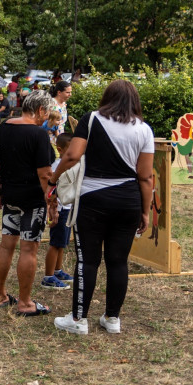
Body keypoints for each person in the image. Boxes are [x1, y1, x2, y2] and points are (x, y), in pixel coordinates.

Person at [49, 80, 154, 335]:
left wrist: (53, 181)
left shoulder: (92, 119)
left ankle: (78, 319)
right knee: (118, 261)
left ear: (107, 97)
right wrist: (145, 211)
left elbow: (72, 155)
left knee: (88, 260)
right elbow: (145, 176)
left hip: (93, 198)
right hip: (128, 200)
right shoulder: (144, 129)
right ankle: (112, 318)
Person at [0, 90, 55, 316]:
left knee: (6, 245)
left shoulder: (4, 127)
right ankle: (25, 303)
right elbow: (45, 174)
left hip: (10, 196)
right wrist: (51, 202)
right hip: (33, 199)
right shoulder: (38, 134)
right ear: (40, 109)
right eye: (47, 113)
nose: (47, 117)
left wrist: (0, 191)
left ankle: (0, 295)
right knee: (28, 249)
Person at [42, 133, 75, 290]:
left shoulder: (71, 165)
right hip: (60, 210)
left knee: (62, 243)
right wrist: (52, 209)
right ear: (60, 149)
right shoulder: (57, 167)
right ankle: (48, 277)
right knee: (55, 243)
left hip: (68, 209)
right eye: (70, 149)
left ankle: (58, 271)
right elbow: (52, 190)